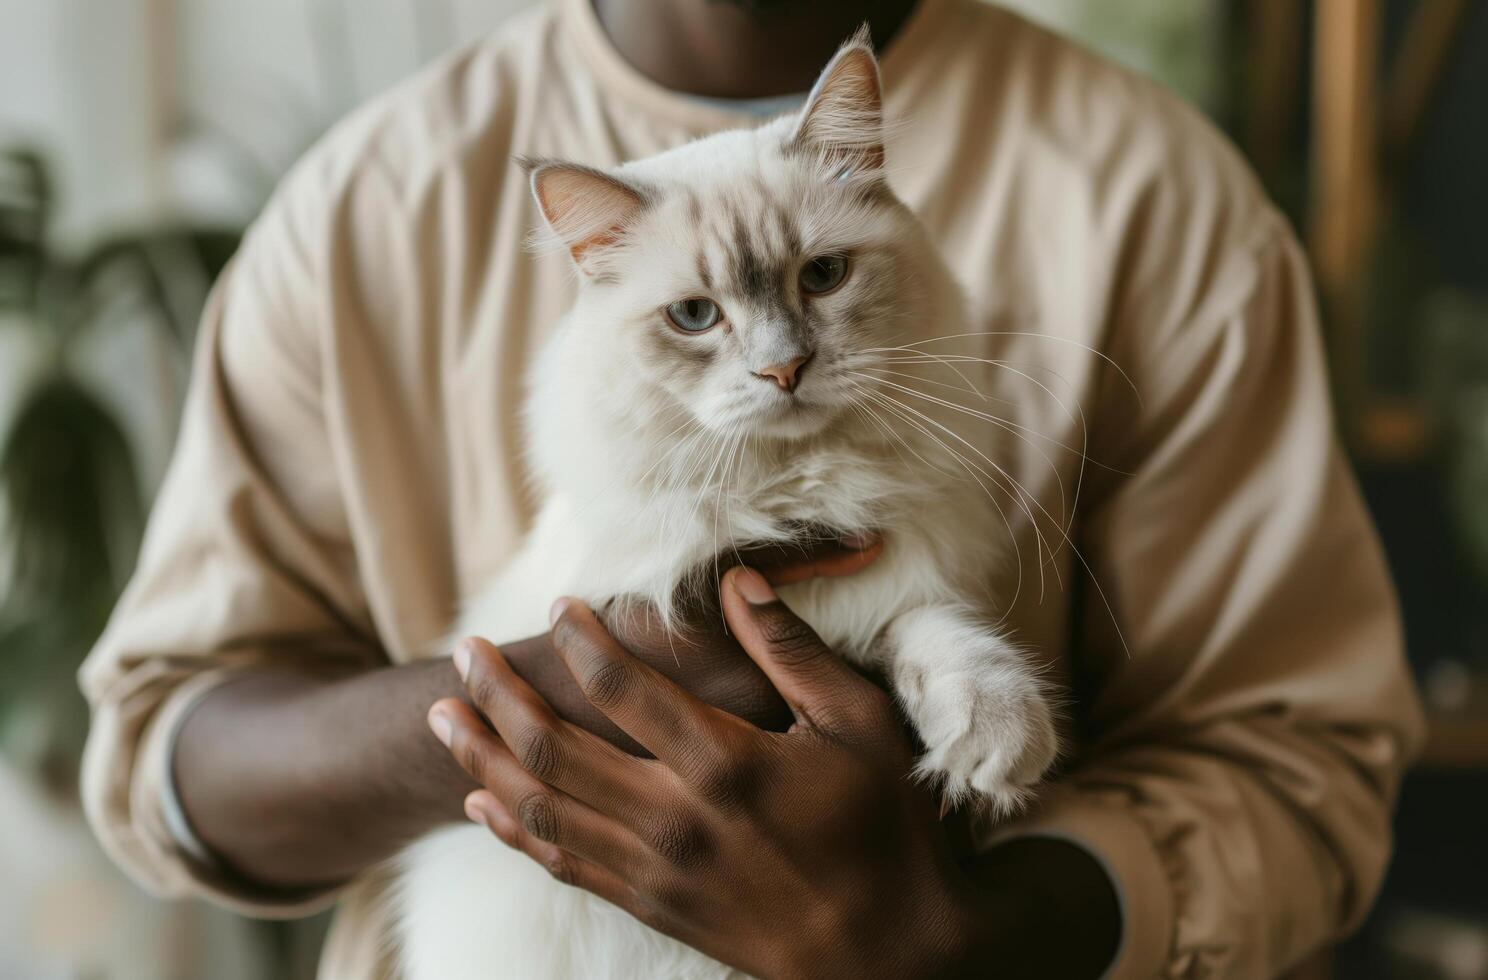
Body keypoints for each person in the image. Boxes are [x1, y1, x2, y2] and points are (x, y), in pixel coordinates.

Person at [79, 0, 1425, 976]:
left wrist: (965, 940)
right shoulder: (360, 205)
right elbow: (160, 741)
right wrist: (541, 705)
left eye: (824, 286)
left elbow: (1299, 765)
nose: (778, 364)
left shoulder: (1156, 191)